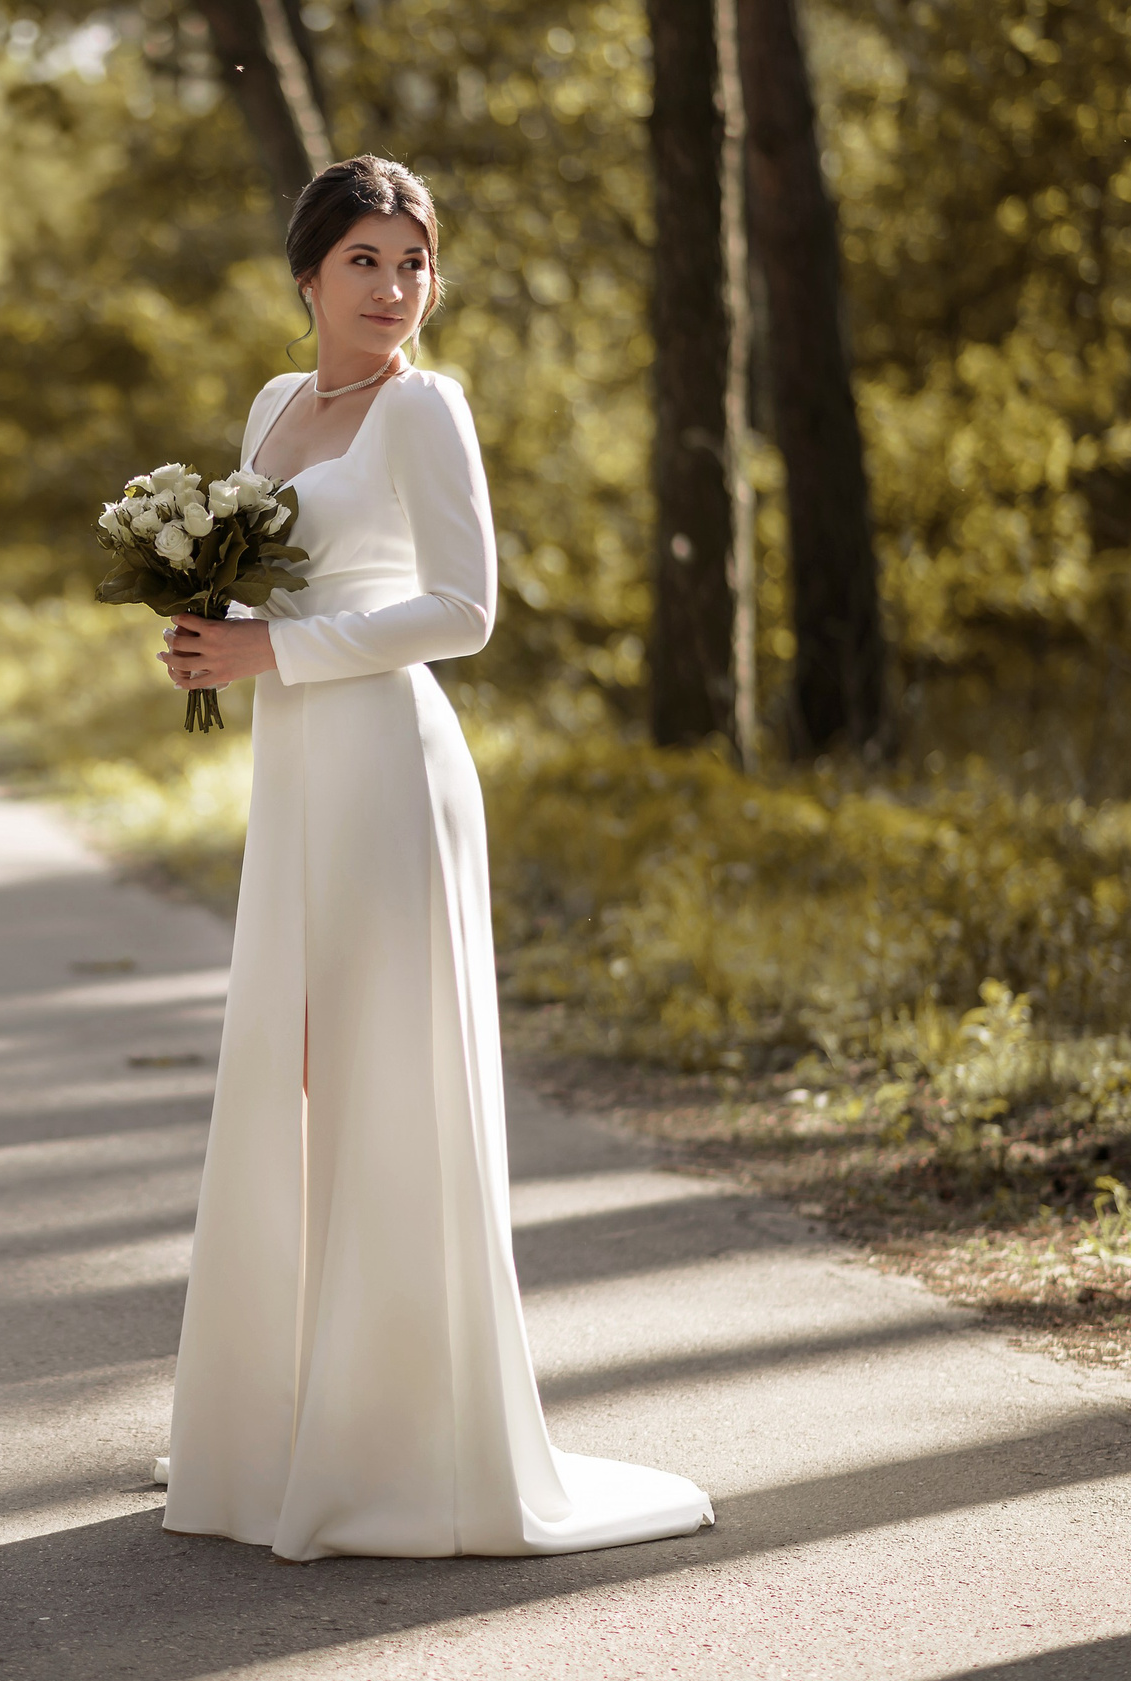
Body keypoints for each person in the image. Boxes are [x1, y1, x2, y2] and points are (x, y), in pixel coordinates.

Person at [153, 156, 715, 1561]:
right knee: (286, 1072)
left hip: (392, 773)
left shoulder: (426, 408)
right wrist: (198, 629)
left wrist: (271, 646)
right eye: (365, 262)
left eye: (413, 264)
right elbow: (256, 579)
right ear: (307, 274)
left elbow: (463, 611)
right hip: (296, 780)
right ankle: (279, 1430)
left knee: (384, 1082)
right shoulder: (278, 407)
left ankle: (402, 1442)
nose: (394, 289)